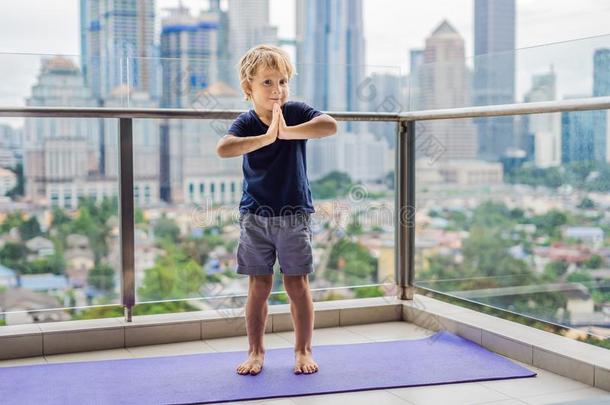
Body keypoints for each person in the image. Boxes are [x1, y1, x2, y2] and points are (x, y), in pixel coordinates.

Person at [216, 44, 338, 375]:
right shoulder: (245, 122)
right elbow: (224, 148)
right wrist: (267, 138)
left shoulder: (295, 112)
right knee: (259, 287)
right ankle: (256, 352)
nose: (277, 90)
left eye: (282, 81)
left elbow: (329, 125)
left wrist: (286, 132)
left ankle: (303, 350)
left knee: (297, 285)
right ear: (248, 88)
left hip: (295, 214)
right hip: (255, 216)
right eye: (267, 82)